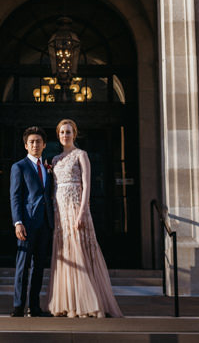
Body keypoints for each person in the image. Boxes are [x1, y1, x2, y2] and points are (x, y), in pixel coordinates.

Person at [47, 118, 123, 318]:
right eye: (62, 132)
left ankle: (87, 303)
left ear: (75, 133)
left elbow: (87, 185)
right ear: (58, 135)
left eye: (69, 132)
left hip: (76, 208)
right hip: (60, 212)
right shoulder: (55, 160)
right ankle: (69, 304)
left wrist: (82, 212)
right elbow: (54, 186)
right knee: (66, 255)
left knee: (80, 251)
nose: (65, 135)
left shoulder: (81, 155)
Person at [9, 125, 54, 317]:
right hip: (26, 224)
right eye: (32, 142)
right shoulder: (19, 167)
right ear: (26, 145)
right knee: (23, 265)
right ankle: (18, 305)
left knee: (39, 267)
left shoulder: (46, 168)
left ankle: (34, 306)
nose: (35, 145)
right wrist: (18, 222)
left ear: (44, 145)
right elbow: (15, 196)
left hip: (45, 223)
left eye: (38, 142)